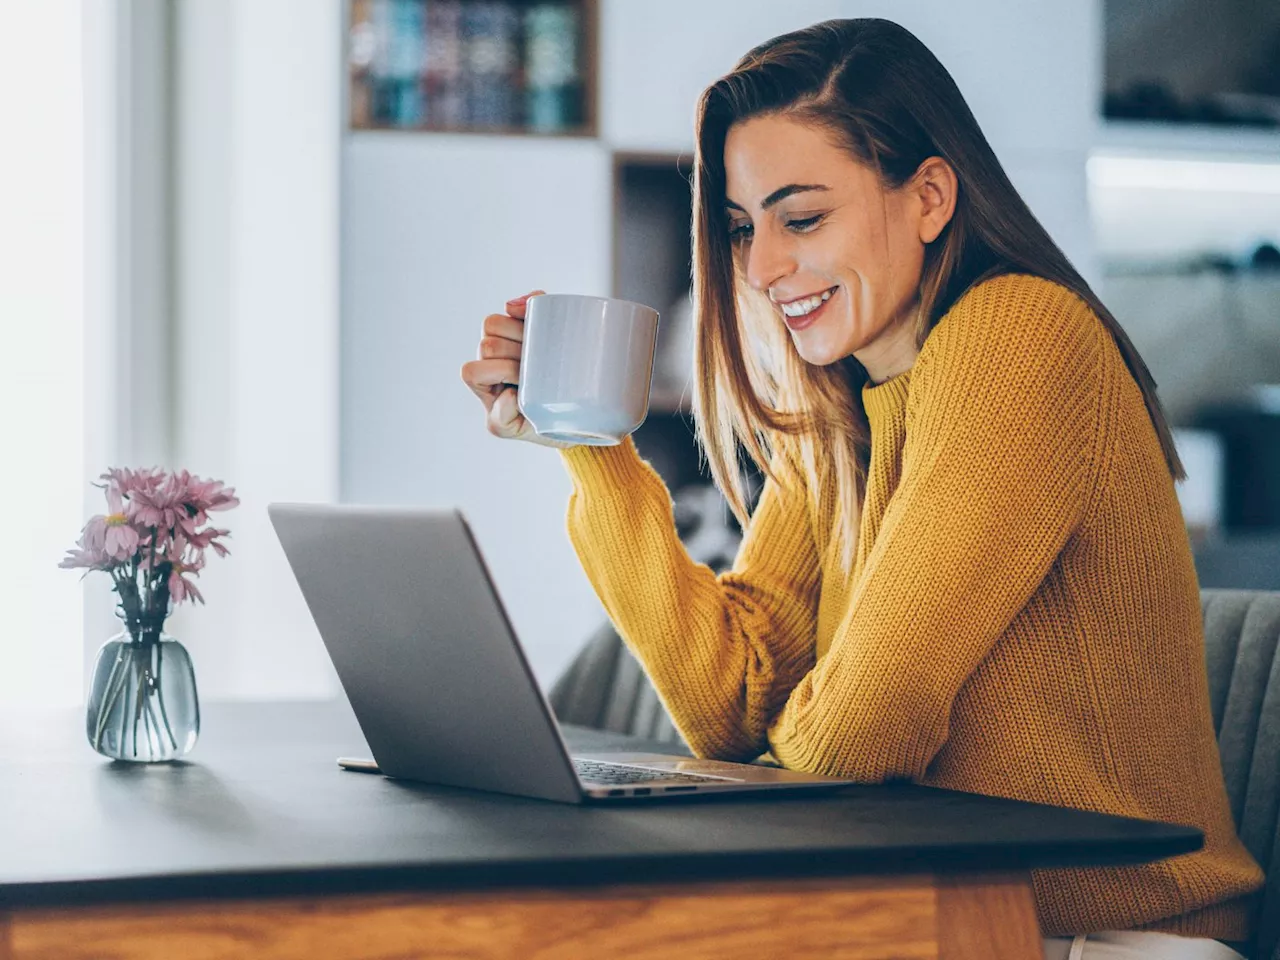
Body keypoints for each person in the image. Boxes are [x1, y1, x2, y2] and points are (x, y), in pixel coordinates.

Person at [460, 18, 1264, 959]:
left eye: (801, 218)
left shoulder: (1020, 337)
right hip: (933, 913)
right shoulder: (848, 403)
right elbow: (732, 703)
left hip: (1107, 936)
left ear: (928, 197)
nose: (760, 269)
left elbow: (857, 737)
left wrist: (766, 766)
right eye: (741, 226)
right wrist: (590, 440)